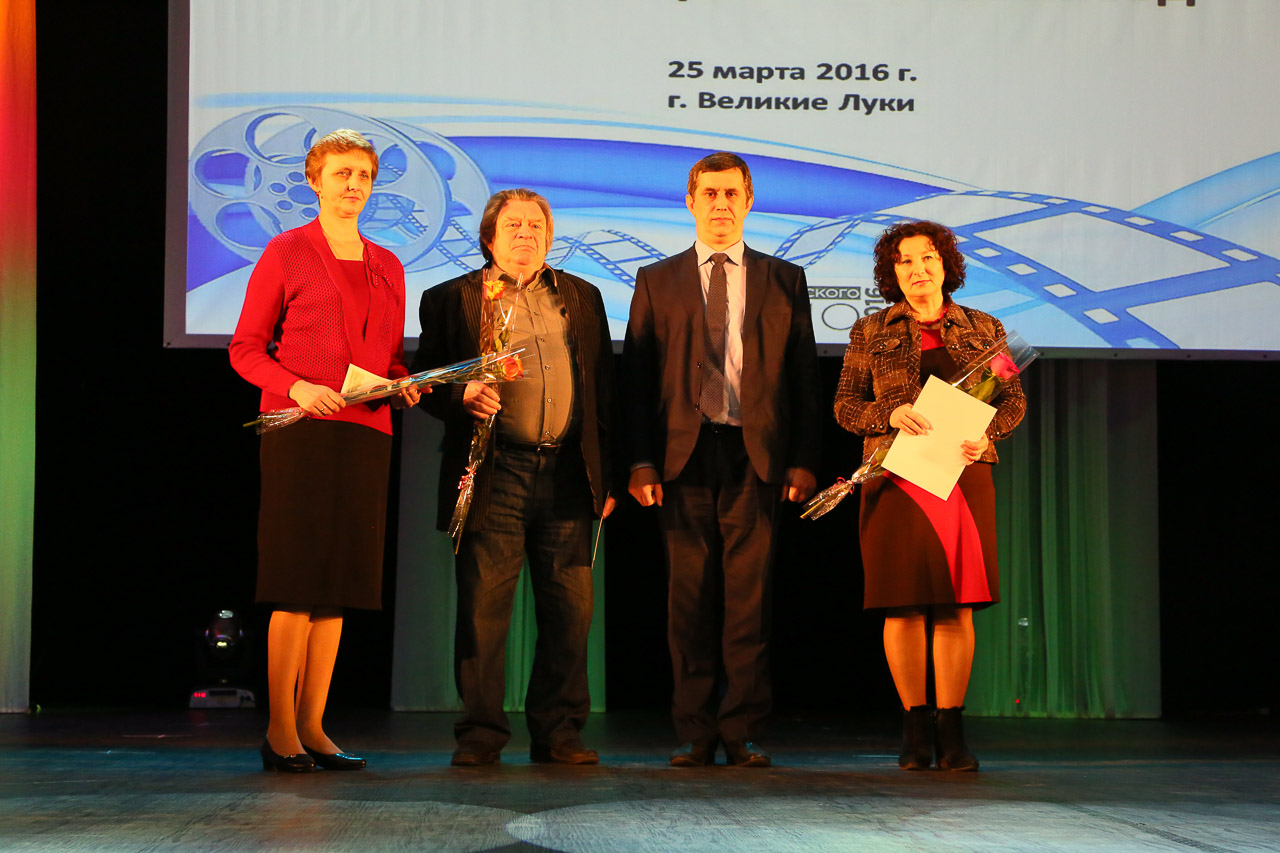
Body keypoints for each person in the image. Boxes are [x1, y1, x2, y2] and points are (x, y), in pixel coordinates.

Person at [230, 129, 421, 772]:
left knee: (338, 585)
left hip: (366, 431)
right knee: (297, 581)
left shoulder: (388, 264)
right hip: (299, 429)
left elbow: (386, 356)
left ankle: (313, 726)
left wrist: (401, 384)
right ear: (314, 181)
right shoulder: (286, 251)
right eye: (341, 173)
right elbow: (245, 349)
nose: (353, 185)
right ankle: (279, 730)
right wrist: (298, 386)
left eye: (363, 175)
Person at [623, 152, 821, 768]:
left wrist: (803, 459)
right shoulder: (656, 279)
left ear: (749, 201)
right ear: (690, 202)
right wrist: (639, 461)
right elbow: (637, 379)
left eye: (732, 193)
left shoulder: (784, 279)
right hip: (680, 459)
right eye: (709, 193)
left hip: (755, 457)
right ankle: (694, 731)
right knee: (687, 603)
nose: (720, 204)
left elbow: (803, 376)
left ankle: (741, 730)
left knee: (748, 602)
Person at [412, 188, 615, 767]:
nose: (526, 234)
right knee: (483, 612)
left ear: (549, 238)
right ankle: (480, 735)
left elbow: (603, 389)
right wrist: (460, 395)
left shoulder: (583, 295)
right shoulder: (451, 297)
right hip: (494, 472)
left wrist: (608, 475)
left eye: (536, 226)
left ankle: (560, 734)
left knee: (571, 613)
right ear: (489, 238)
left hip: (570, 474)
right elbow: (427, 381)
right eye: (513, 226)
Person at [834, 220, 1026, 771]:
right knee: (903, 604)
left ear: (946, 266)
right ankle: (915, 729)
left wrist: (988, 434)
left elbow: (1013, 401)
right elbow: (845, 406)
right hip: (895, 476)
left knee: (955, 605)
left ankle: (952, 731)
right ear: (892, 273)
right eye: (905, 261)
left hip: (963, 477)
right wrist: (888, 413)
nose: (918, 270)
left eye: (928, 258)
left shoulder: (985, 327)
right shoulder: (870, 330)